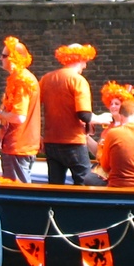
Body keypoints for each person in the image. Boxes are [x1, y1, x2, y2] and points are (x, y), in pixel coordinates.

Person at [39, 43, 97, 185]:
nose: (85, 66)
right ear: (79, 59)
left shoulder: (47, 78)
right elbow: (84, 115)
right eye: (84, 61)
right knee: (85, 184)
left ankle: (53, 207)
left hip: (51, 142)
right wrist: (101, 118)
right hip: (73, 143)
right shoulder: (78, 80)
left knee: (55, 185)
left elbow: (33, 107)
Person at [0, 36, 41, 182]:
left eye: (4, 55)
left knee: (17, 192)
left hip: (18, 146)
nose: (0, 58)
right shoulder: (22, 78)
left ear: (14, 58)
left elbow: (19, 117)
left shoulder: (21, 81)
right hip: (20, 146)